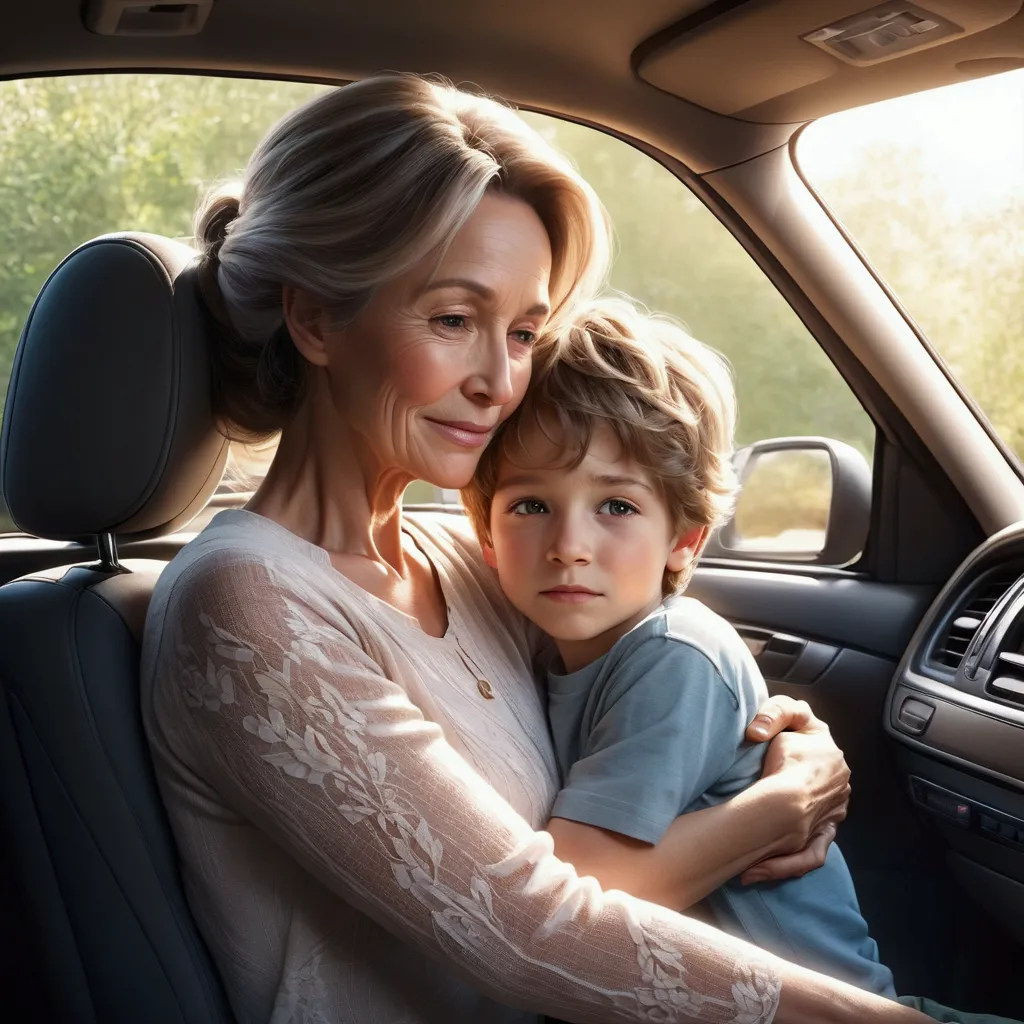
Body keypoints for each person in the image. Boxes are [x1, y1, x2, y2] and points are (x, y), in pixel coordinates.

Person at [141, 71, 947, 1023]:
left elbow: (638, 681)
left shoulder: (460, 555)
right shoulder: (248, 605)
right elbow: (532, 932)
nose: (499, 380)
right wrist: (777, 823)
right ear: (316, 318)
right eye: (453, 319)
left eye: (523, 332)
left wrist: (791, 743)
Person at [461, 298, 896, 997]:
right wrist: (786, 805)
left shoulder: (674, 653)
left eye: (618, 506)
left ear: (684, 540)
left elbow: (578, 886)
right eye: (531, 506)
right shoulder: (546, 651)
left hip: (829, 1006)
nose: (569, 547)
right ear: (486, 534)